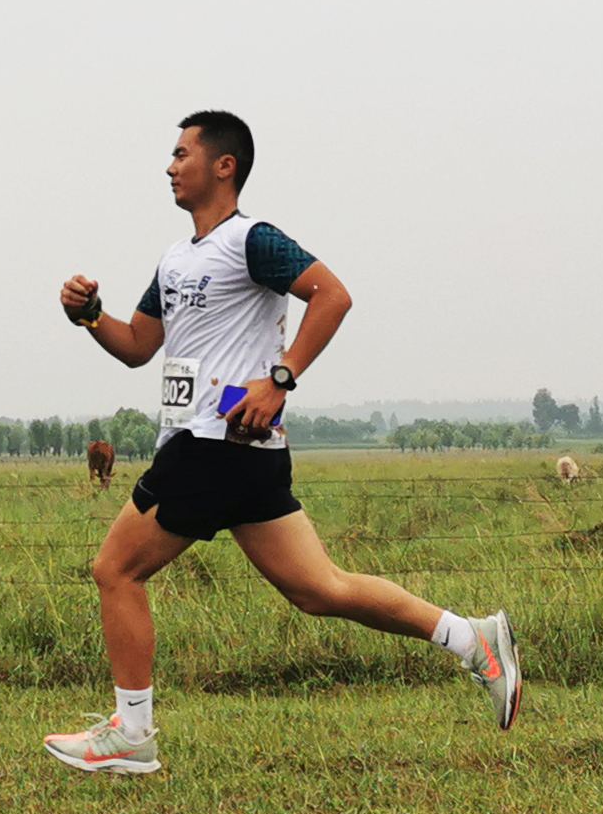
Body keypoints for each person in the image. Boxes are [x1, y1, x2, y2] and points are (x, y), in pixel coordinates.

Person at [46, 110, 521, 775]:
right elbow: (138, 346)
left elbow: (331, 296)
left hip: (213, 440)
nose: (168, 165)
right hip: (237, 450)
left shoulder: (251, 241)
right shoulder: (174, 259)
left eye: (181, 153)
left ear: (223, 165)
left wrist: (279, 379)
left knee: (115, 571)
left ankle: (131, 733)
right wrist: (90, 316)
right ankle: (471, 638)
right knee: (318, 589)